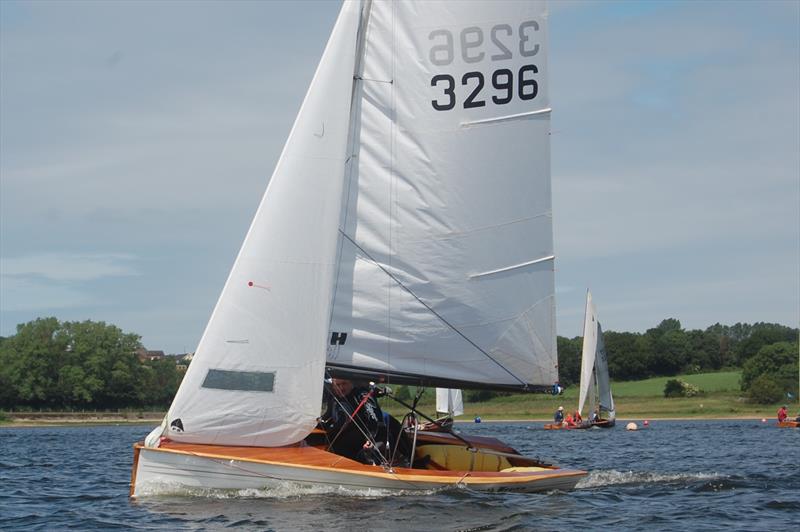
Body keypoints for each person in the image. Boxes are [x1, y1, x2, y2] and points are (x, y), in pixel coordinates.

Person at [320, 378, 409, 465]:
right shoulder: (334, 399)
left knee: (367, 453)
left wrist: (370, 439)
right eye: (338, 385)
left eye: (344, 384)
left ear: (351, 384)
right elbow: (327, 419)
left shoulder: (361, 395)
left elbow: (373, 419)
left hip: (367, 441)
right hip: (344, 443)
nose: (341, 388)